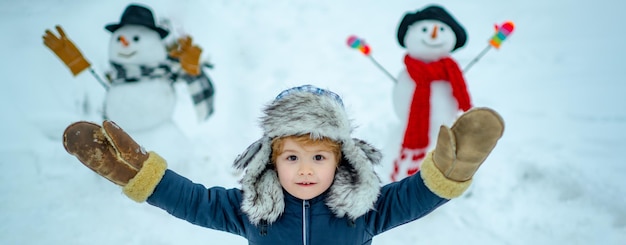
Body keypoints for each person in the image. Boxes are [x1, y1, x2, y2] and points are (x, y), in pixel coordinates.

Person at [63, 84, 504, 245]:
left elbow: (412, 198)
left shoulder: (363, 210)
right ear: (272, 162)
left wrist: (448, 173)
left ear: (341, 161)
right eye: (291, 157)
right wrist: (144, 177)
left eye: (318, 157)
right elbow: (193, 201)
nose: (305, 169)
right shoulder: (253, 211)